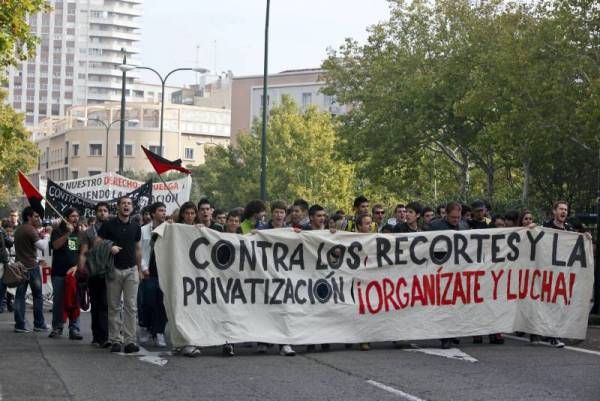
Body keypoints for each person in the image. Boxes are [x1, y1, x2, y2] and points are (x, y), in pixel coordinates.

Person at [96, 197, 142, 354]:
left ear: (132, 207)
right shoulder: (108, 225)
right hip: (113, 270)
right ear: (118, 207)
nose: (126, 206)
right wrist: (110, 247)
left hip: (131, 270)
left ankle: (130, 341)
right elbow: (97, 243)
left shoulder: (136, 227)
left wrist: (139, 269)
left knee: (131, 307)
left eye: (129, 204)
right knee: (114, 306)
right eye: (123, 203)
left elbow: (137, 249)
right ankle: (115, 339)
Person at [427, 202, 467, 348]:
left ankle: (453, 332)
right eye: (453, 217)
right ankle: (445, 336)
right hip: (441, 271)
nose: (456, 220)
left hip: (458, 271)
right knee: (444, 304)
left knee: (456, 303)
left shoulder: (464, 226)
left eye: (458, 217)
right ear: (446, 215)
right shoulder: (435, 226)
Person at [48, 208, 85, 340]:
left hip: (73, 274)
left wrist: (76, 266)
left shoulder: (79, 234)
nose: (75, 219)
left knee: (74, 301)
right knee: (59, 301)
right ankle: (58, 327)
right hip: (59, 272)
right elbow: (55, 246)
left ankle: (74, 328)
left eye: (77, 216)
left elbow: (80, 254)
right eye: (72, 216)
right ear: (65, 218)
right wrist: (67, 234)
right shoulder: (57, 231)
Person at [540, 201, 573, 348]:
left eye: (565, 209)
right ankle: (551, 334)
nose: (563, 212)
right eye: (561, 209)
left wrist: (585, 236)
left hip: (563, 273)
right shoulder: (546, 227)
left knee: (559, 302)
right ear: (554, 211)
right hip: (547, 272)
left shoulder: (569, 229)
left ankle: (553, 333)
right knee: (550, 302)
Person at [13, 207, 48, 333]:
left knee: (19, 296)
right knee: (37, 296)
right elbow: (42, 245)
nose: (38, 219)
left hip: (20, 266)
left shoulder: (19, 229)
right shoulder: (30, 229)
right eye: (36, 216)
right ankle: (39, 324)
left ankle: (19, 324)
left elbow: (26, 249)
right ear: (29, 217)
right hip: (31, 268)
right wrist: (47, 235)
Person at [80, 201, 111, 347]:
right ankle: (96, 336)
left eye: (105, 210)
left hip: (110, 272)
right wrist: (81, 269)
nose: (103, 213)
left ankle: (105, 337)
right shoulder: (88, 232)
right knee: (96, 305)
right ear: (96, 213)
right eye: (100, 210)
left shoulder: (113, 229)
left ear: (109, 213)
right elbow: (84, 252)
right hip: (93, 273)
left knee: (106, 305)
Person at [140, 202, 168, 347]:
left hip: (164, 272)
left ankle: (159, 332)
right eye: (160, 210)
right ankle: (145, 327)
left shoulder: (169, 230)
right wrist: (143, 268)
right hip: (148, 272)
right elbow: (139, 251)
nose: (163, 213)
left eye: (164, 210)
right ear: (152, 214)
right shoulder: (143, 230)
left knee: (162, 304)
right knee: (148, 301)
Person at [0, 223, 14, 313]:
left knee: (3, 284)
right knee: (2, 284)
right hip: (1, 260)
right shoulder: (1, 231)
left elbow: (9, 243)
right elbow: (9, 243)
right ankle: (1, 304)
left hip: (2, 260)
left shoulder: (1, 231)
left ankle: (2, 304)